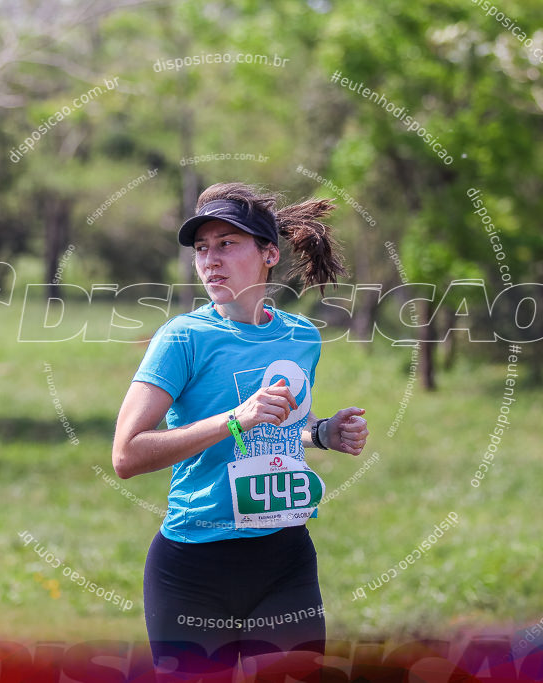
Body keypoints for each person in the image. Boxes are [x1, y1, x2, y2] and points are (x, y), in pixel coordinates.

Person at [111, 182, 370, 677]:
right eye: (202, 249)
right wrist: (235, 419)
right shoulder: (182, 338)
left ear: (269, 254)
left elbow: (275, 429)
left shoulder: (301, 336)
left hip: (285, 558)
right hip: (195, 568)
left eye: (227, 244)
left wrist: (321, 433)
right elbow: (126, 455)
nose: (210, 259)